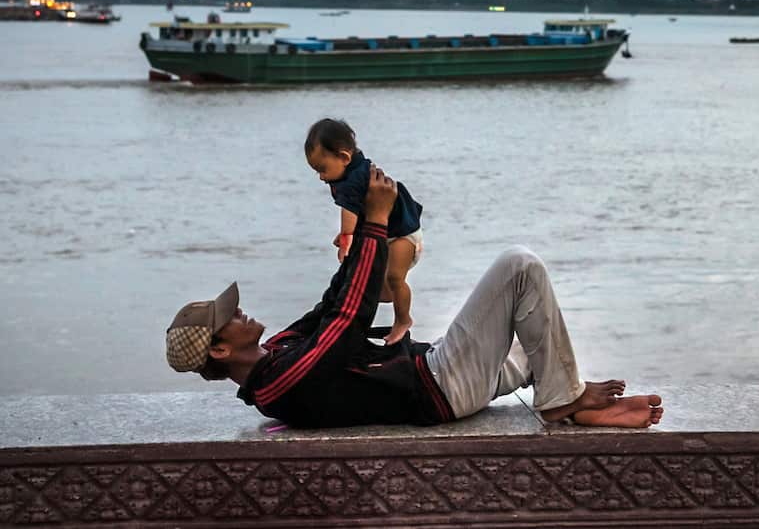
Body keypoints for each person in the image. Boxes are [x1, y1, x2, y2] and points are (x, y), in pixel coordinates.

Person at [165, 163, 664, 430]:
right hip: (440, 387)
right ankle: (562, 402)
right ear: (219, 349)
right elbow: (345, 324)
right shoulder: (277, 383)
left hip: (442, 377)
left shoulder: (277, 352)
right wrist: (378, 224)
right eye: (227, 317)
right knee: (520, 266)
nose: (238, 311)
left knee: (536, 336)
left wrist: (363, 221)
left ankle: (567, 397)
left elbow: (330, 305)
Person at [304, 118, 423, 345]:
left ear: (344, 157)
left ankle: (403, 320)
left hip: (403, 234)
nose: (320, 176)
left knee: (395, 279)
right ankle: (356, 325)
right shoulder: (351, 172)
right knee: (375, 287)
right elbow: (360, 210)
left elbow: (349, 209)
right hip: (383, 233)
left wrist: (347, 237)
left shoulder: (354, 179)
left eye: (322, 169)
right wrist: (349, 232)